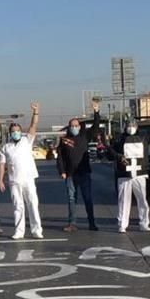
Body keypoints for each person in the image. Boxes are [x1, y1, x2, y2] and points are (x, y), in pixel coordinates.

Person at [111, 114, 150, 233]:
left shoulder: (143, 137)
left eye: (133, 125)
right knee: (123, 200)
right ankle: (122, 224)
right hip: (124, 174)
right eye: (129, 125)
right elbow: (110, 152)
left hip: (140, 173)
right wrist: (119, 157)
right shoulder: (119, 139)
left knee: (142, 199)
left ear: (136, 127)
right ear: (125, 127)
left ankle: (144, 223)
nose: (131, 127)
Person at [0, 102, 43, 240]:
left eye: (18, 130)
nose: (16, 132)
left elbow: (33, 126)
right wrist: (0, 180)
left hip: (28, 178)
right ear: (10, 133)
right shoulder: (6, 147)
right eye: (13, 131)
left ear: (21, 131)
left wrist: (35, 112)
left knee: (32, 203)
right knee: (18, 206)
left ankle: (36, 230)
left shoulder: (26, 140)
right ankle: (19, 231)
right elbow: (2, 164)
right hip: (14, 180)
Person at [57, 99, 101, 232]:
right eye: (72, 125)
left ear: (80, 127)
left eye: (76, 125)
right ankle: (72, 223)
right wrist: (62, 171)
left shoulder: (84, 136)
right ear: (69, 127)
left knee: (87, 198)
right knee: (71, 199)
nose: (74, 127)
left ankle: (92, 223)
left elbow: (95, 127)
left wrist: (96, 112)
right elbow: (60, 157)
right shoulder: (64, 140)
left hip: (84, 173)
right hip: (70, 174)